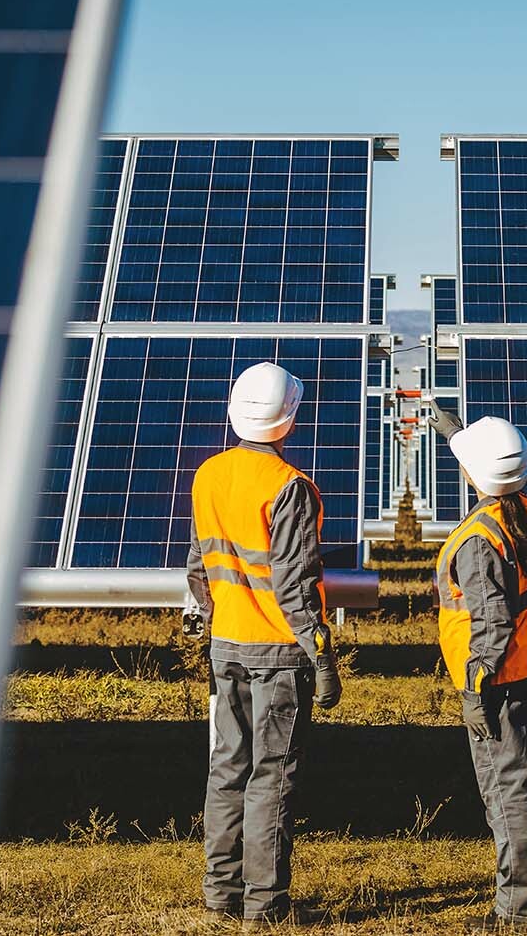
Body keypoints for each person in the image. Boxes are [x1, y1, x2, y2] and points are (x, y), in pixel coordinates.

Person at [187, 361, 343, 930]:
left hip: (225, 643)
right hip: (278, 653)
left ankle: (220, 893)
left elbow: (200, 564)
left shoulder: (208, 474)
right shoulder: (289, 487)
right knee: (271, 778)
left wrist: (213, 619)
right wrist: (322, 656)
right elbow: (297, 584)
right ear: (289, 418)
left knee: (226, 768)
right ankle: (265, 906)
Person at [429, 409, 527, 933]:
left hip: (497, 680)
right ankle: (521, 900)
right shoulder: (520, 509)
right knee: (523, 784)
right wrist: (459, 435)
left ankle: (518, 915)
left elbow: (491, 623)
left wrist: (475, 688)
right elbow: (495, 472)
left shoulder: (478, 540)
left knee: (507, 792)